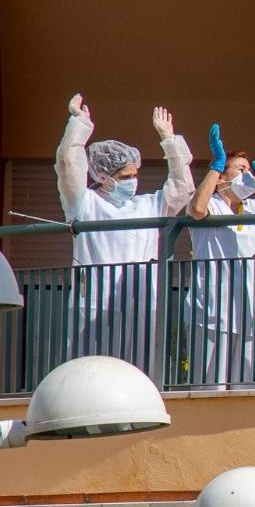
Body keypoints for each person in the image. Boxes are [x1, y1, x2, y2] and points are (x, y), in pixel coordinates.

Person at [55, 94, 194, 369]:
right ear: (103, 177)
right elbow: (69, 166)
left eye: (135, 175)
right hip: (93, 304)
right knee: (89, 371)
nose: (133, 182)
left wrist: (169, 139)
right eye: (125, 177)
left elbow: (182, 188)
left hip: (142, 305)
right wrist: (79, 126)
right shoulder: (84, 203)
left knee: (139, 374)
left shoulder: (149, 205)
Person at [184, 124, 255, 389]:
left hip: (252, 313)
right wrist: (216, 165)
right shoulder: (210, 202)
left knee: (254, 388)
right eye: (241, 169)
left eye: (250, 170)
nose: (248, 175)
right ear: (222, 178)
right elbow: (197, 210)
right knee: (209, 387)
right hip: (211, 310)